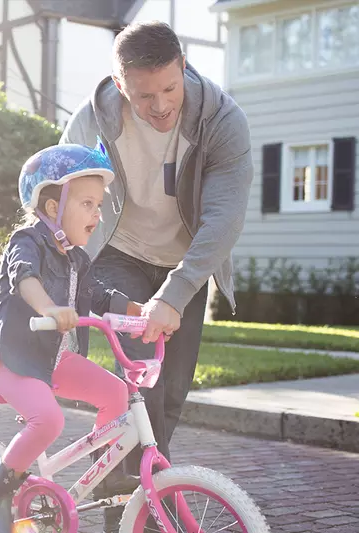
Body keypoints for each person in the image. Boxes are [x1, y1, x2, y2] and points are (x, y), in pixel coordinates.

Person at [59, 20, 254, 531]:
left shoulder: (221, 121)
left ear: (183, 68)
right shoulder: (94, 119)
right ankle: (146, 508)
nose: (161, 105)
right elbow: (53, 192)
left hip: (185, 264)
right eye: (145, 95)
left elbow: (224, 219)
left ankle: (122, 498)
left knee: (169, 396)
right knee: (143, 381)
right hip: (119, 254)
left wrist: (178, 292)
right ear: (122, 85)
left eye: (170, 88)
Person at [0, 141, 146, 533]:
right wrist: (49, 308)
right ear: (53, 208)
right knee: (49, 420)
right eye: (87, 204)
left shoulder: (76, 258)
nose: (97, 215)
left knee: (117, 394)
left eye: (99, 205)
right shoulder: (27, 242)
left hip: (55, 358)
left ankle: (107, 474)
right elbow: (24, 277)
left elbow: (99, 294)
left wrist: (136, 310)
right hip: (13, 356)